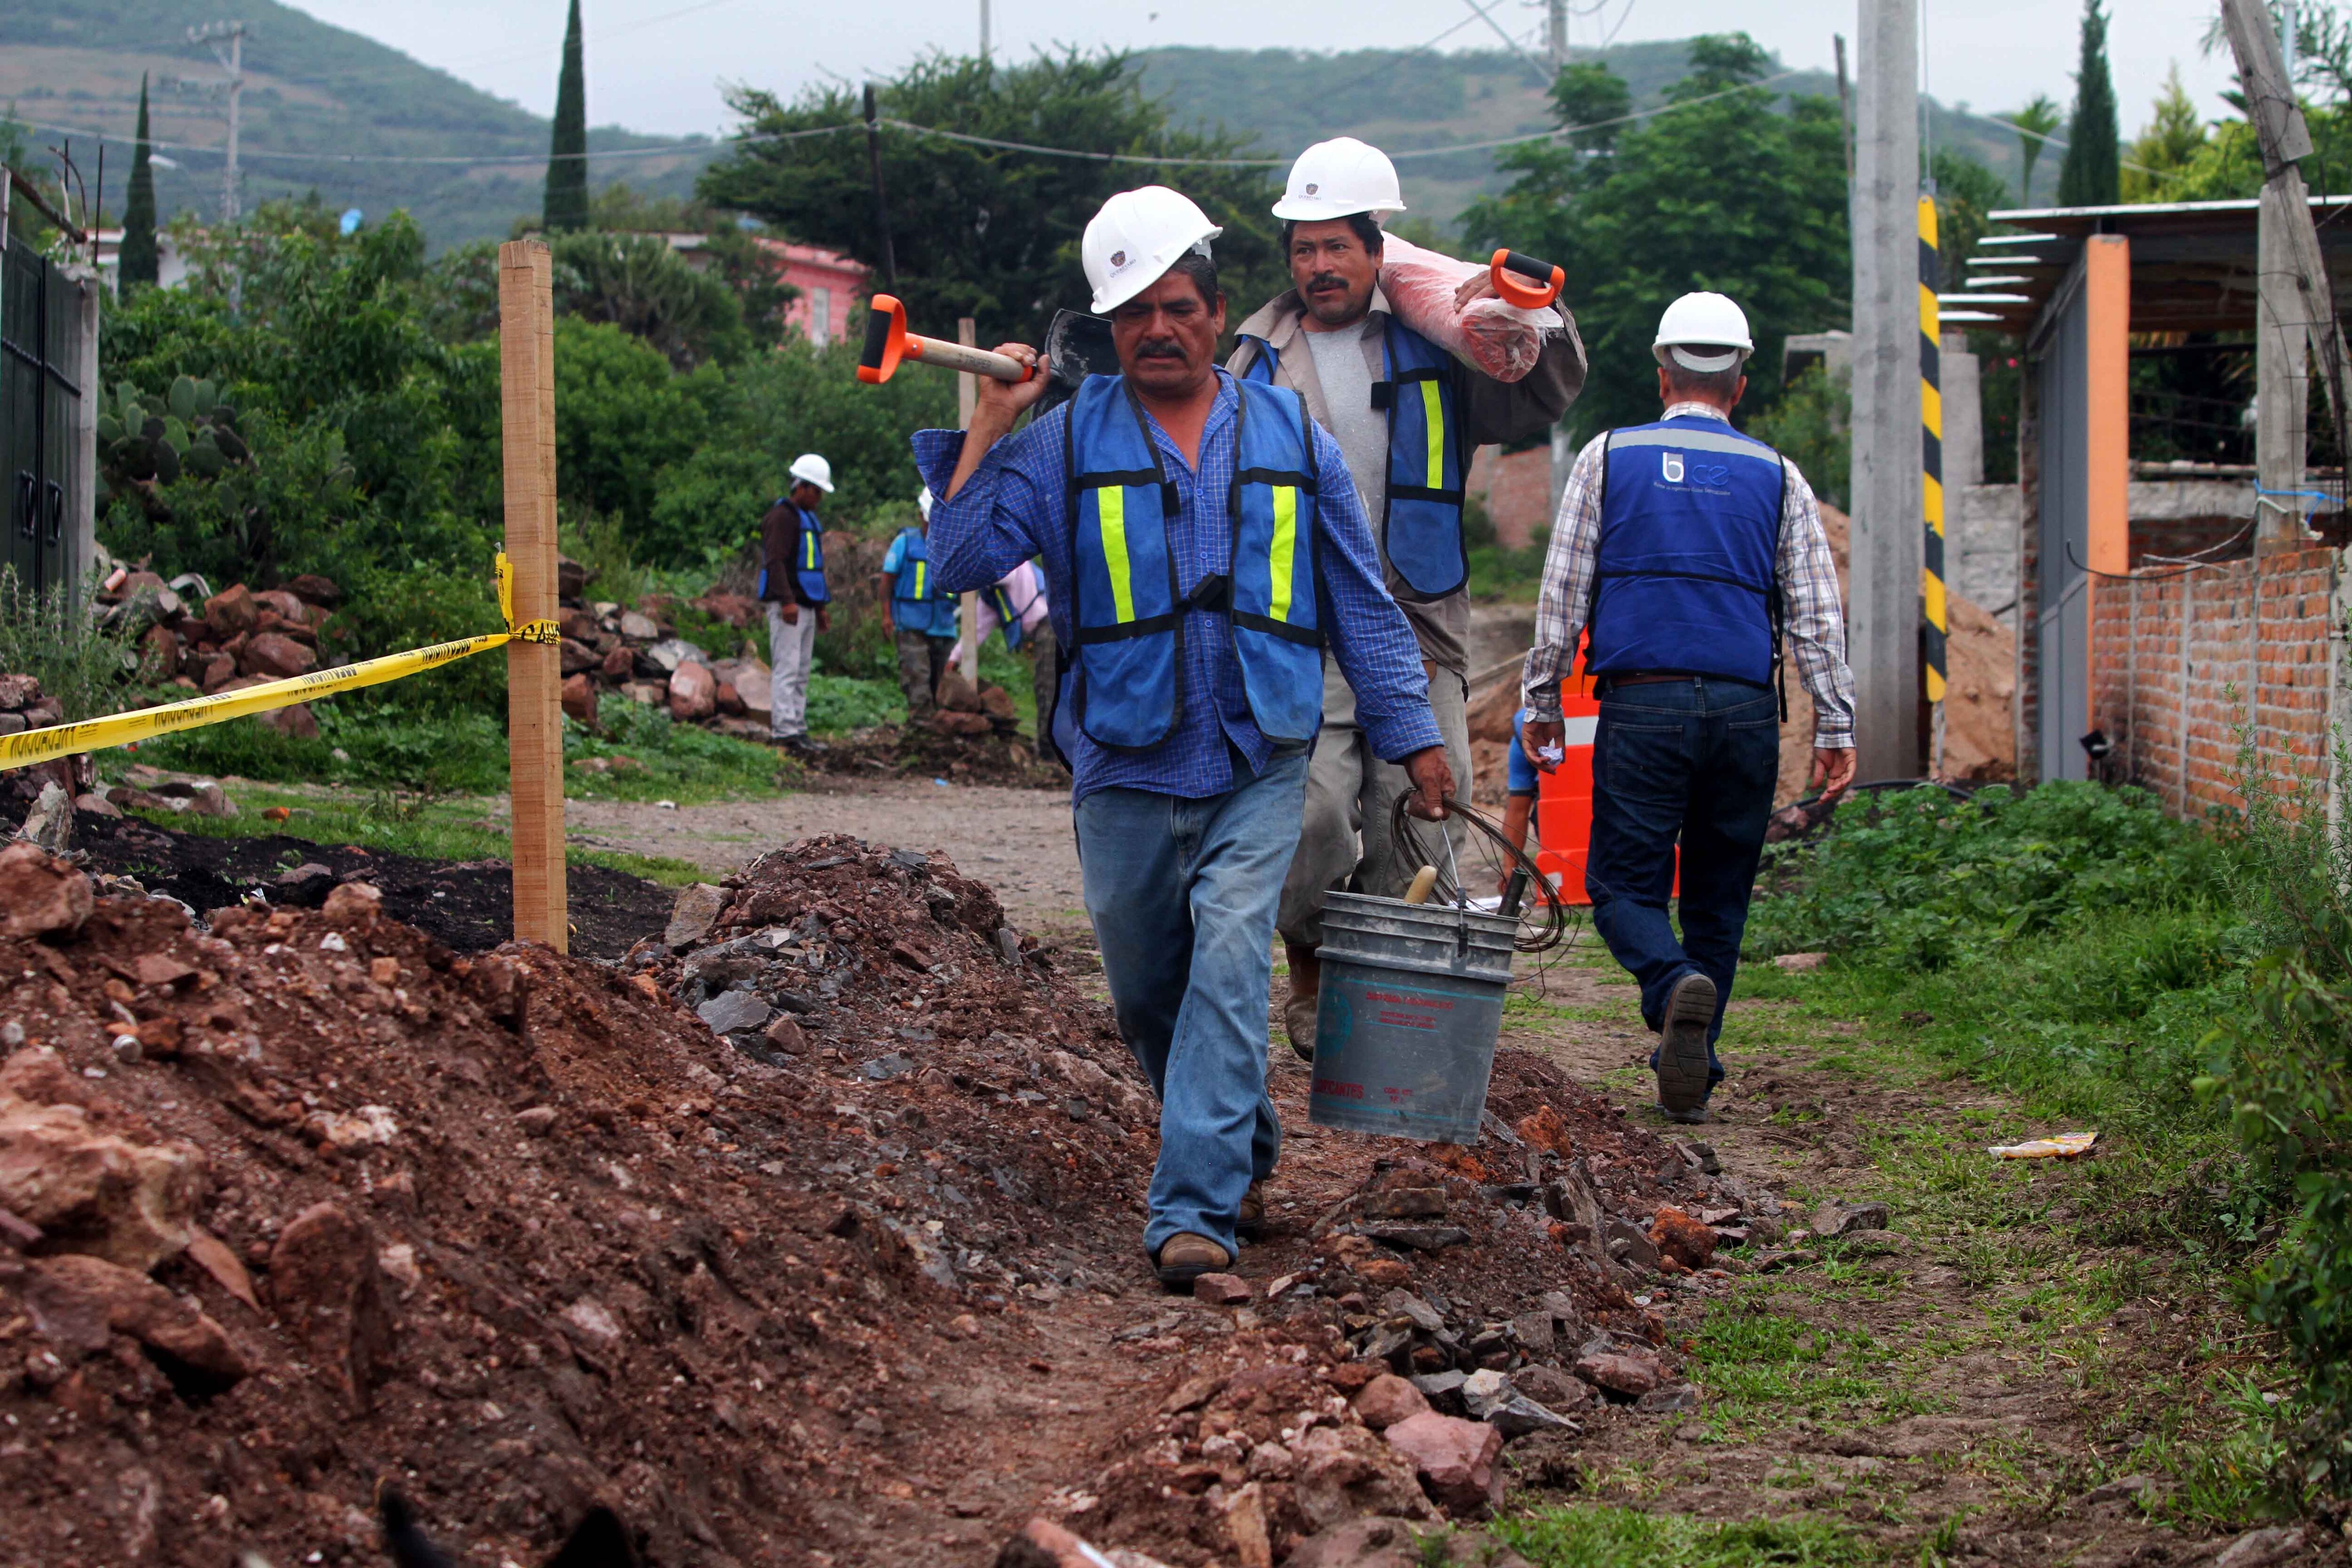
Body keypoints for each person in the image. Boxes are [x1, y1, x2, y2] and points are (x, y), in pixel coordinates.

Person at [917, 185, 1453, 1289]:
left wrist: (1415, 741)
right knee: (1146, 994)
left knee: (1225, 970)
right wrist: (988, 423)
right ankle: (1243, 1145)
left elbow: (1358, 600)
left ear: (1216, 314)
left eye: (1177, 308)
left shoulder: (1288, 433)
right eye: (1133, 316)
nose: (1157, 330)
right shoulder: (1064, 440)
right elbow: (960, 558)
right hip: (1121, 759)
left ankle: (1192, 1206)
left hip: (1258, 753)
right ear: (1111, 333)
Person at [1226, 136, 1588, 1058]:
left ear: (1377, 250)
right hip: (1300, 633)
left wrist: (1529, 312)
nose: (1317, 267)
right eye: (1302, 250)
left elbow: (1535, 392)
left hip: (1418, 625)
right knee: (1306, 814)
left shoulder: (1439, 342)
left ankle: (1378, 1003)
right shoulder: (1255, 359)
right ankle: (1307, 954)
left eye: (1334, 247)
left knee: (1426, 811)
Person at [1519, 291, 1857, 1124]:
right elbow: (1816, 613)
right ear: (1740, 382)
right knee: (1718, 893)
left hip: (1646, 703)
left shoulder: (1607, 458)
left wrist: (1541, 702)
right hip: (1747, 713)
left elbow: (1562, 593)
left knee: (1619, 882)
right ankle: (1694, 1062)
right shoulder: (1779, 475)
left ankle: (1673, 990)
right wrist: (1837, 724)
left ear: (1662, 374)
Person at [759, 454, 834, 752]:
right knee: (787, 668)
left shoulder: (806, 519)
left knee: (802, 670)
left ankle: (797, 727)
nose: (818, 498)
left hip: (805, 606)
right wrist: (788, 602)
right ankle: (784, 731)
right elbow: (775, 562)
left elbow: (812, 569)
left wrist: (820, 608)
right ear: (801, 487)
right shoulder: (782, 518)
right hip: (787, 607)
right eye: (816, 491)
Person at [949, 557, 1058, 751]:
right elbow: (975, 631)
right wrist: (953, 660)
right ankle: (1050, 744)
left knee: (1048, 687)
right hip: (1043, 629)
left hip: (1051, 624)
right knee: (1048, 687)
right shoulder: (992, 596)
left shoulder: (1010, 562)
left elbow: (1004, 575)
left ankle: (1050, 749)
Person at [874, 487, 961, 721]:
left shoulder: (954, 547)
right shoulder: (905, 544)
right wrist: (886, 616)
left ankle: (942, 729)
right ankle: (921, 729)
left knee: (943, 684)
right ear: (922, 516)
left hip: (943, 626)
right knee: (917, 680)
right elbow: (887, 581)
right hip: (911, 625)